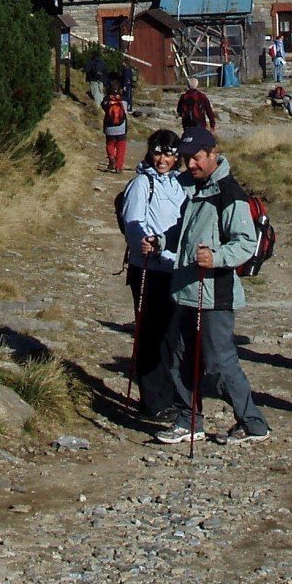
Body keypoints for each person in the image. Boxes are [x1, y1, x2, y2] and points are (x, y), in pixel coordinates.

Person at [143, 128, 271, 446]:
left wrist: (216, 257)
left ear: (213, 153)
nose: (191, 165)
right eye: (187, 158)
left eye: (197, 158)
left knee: (218, 362)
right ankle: (189, 420)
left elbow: (245, 243)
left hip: (215, 292)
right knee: (180, 358)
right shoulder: (196, 187)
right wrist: (161, 242)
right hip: (188, 288)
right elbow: (186, 231)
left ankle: (253, 423)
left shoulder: (229, 193)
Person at [118, 128, 184, 422]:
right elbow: (132, 222)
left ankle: (166, 396)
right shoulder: (141, 184)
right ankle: (153, 402)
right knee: (150, 335)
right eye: (158, 153)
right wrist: (142, 242)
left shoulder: (179, 184)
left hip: (174, 269)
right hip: (147, 268)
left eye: (169, 154)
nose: (163, 159)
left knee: (170, 336)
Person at [101, 84, 131, 173]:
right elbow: (127, 109)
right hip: (121, 127)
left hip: (109, 127)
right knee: (121, 147)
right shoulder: (124, 99)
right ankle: (118, 167)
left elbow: (103, 107)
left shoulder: (106, 99)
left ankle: (111, 156)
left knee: (110, 144)